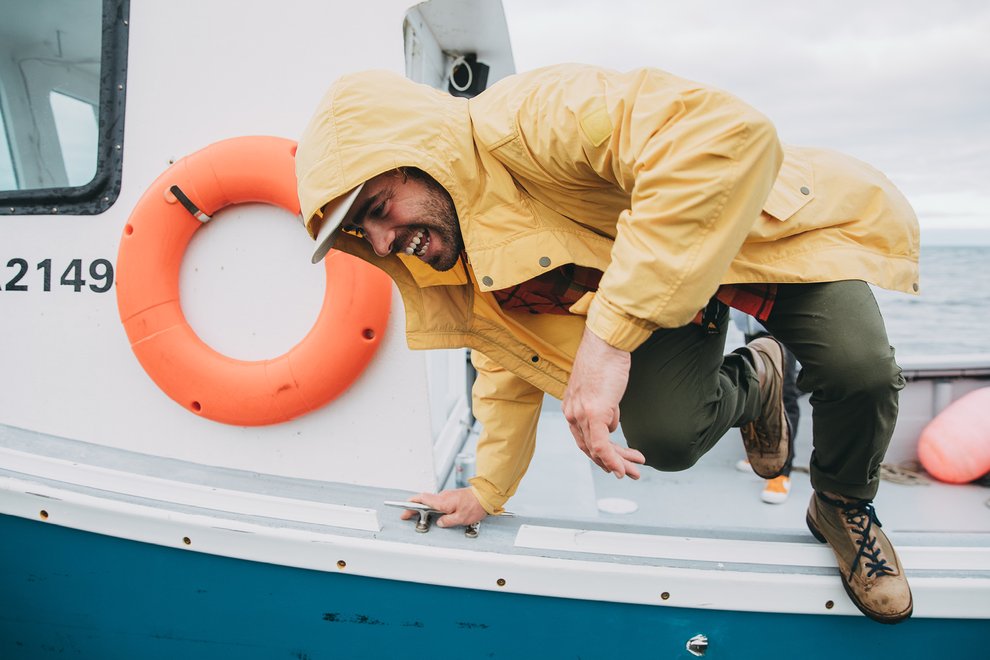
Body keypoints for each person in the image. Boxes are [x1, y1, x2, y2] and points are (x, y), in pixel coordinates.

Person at [294, 65, 920, 624]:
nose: (380, 242)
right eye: (360, 230)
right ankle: (760, 380)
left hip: (756, 237)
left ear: (414, 157)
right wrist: (488, 489)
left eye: (379, 206)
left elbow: (726, 137)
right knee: (666, 442)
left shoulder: (530, 117)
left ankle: (842, 504)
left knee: (860, 370)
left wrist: (608, 340)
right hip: (663, 290)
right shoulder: (456, 252)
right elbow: (504, 365)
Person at [732, 311, 800, 504]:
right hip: (750, 322)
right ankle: (762, 451)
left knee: (784, 393)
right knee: (757, 386)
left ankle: (781, 470)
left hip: (781, 323)